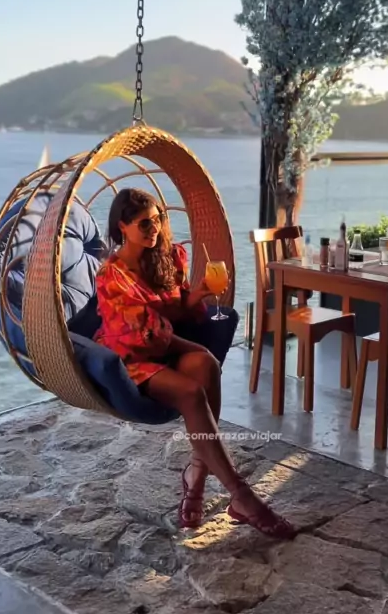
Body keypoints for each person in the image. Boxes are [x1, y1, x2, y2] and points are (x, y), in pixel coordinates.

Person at [94, 187, 296, 541]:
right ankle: (241, 495)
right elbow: (145, 334)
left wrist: (200, 291)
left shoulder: (165, 257)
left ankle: (197, 473)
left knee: (207, 367)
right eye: (144, 224)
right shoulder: (113, 276)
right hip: (132, 357)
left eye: (157, 220)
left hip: (166, 347)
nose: (154, 229)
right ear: (122, 226)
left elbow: (175, 309)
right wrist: (194, 346)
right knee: (191, 389)